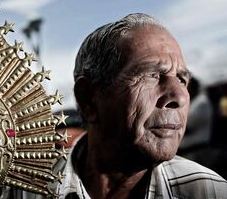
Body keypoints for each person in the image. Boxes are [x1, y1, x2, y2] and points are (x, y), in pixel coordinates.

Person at [59, 13, 227, 199]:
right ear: (89, 99)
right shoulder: (26, 188)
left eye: (181, 79)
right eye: (151, 75)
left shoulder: (210, 191)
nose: (178, 97)